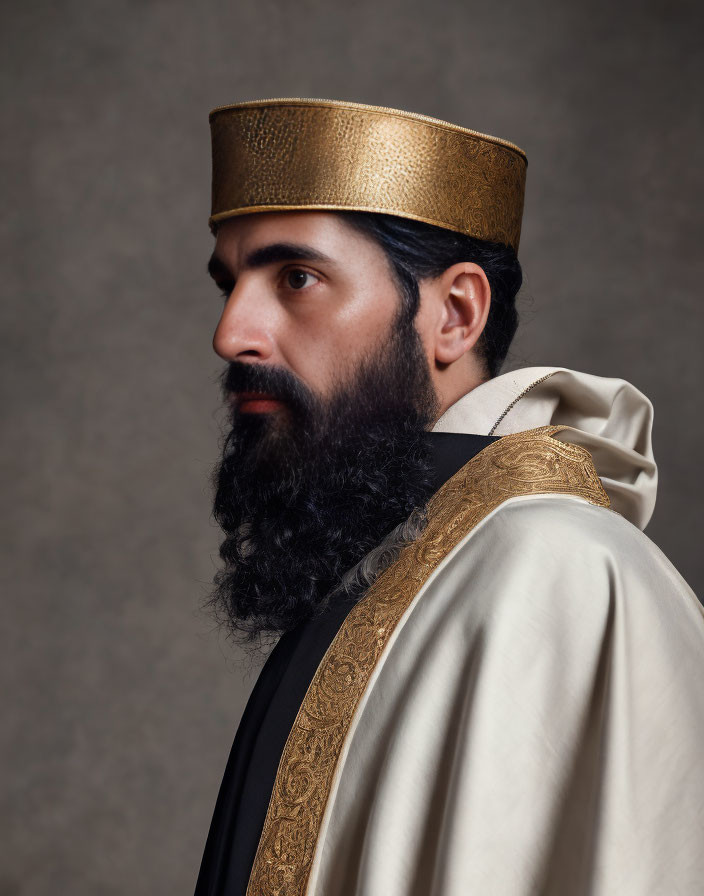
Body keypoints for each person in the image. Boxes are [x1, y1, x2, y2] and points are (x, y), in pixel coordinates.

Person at [194, 99, 704, 896]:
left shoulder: (567, 572)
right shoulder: (389, 563)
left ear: (456, 316)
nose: (233, 333)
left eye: (297, 278)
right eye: (231, 283)